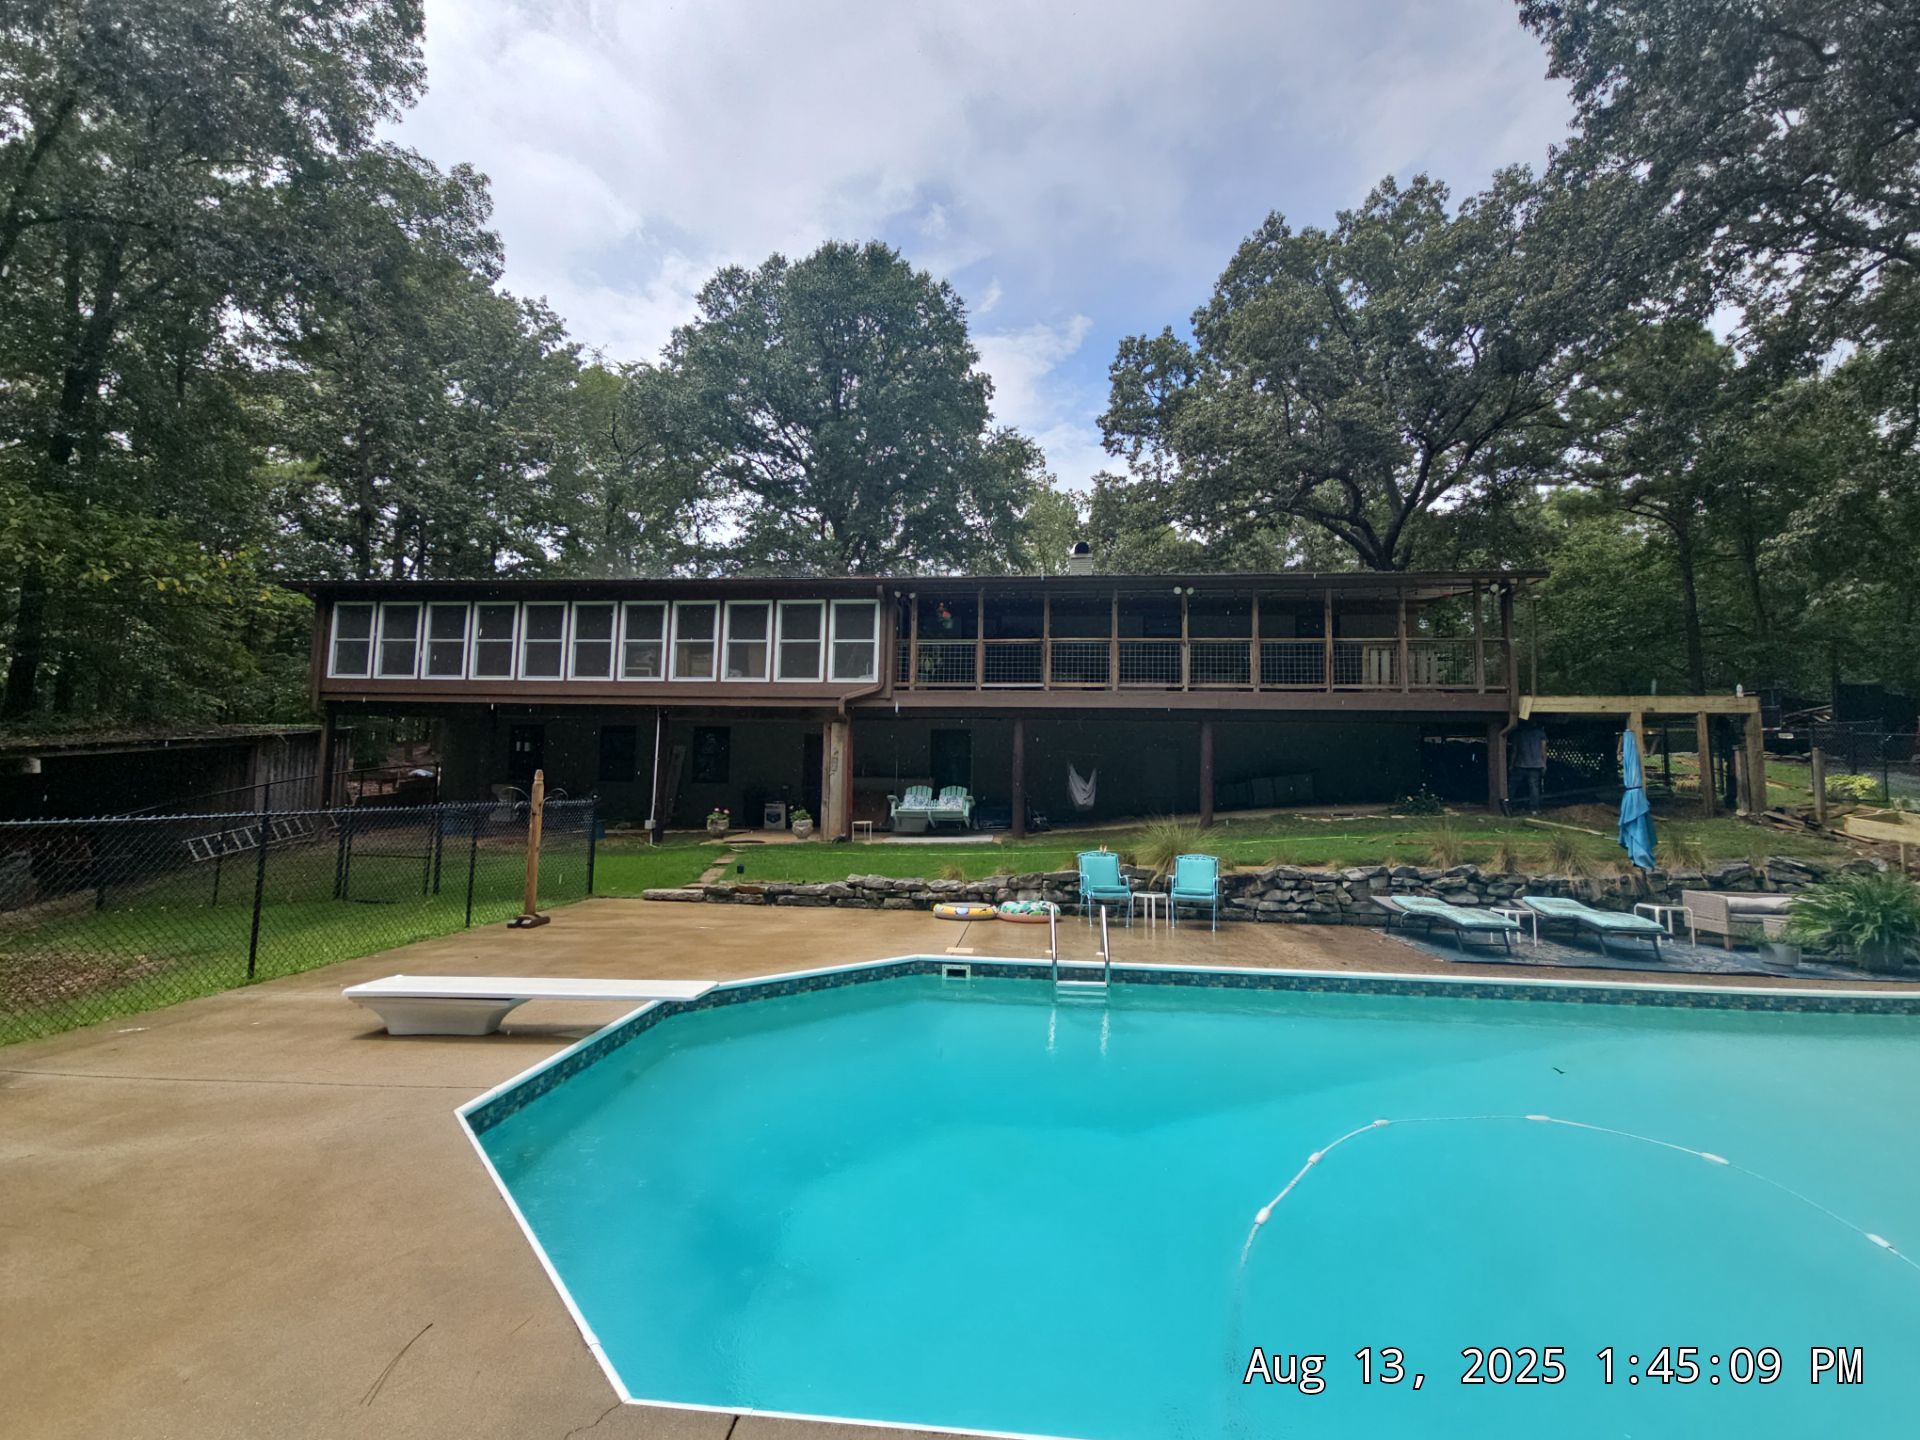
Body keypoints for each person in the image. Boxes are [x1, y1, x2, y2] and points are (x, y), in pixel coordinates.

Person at [1512, 723, 1547, 812]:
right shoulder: (1540, 733)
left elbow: (1515, 751)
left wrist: (1511, 764)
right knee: (1534, 787)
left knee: (1514, 786)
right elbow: (1543, 750)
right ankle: (1534, 809)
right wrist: (1544, 763)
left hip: (1520, 764)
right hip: (1536, 765)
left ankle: (1510, 804)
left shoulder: (1519, 733)